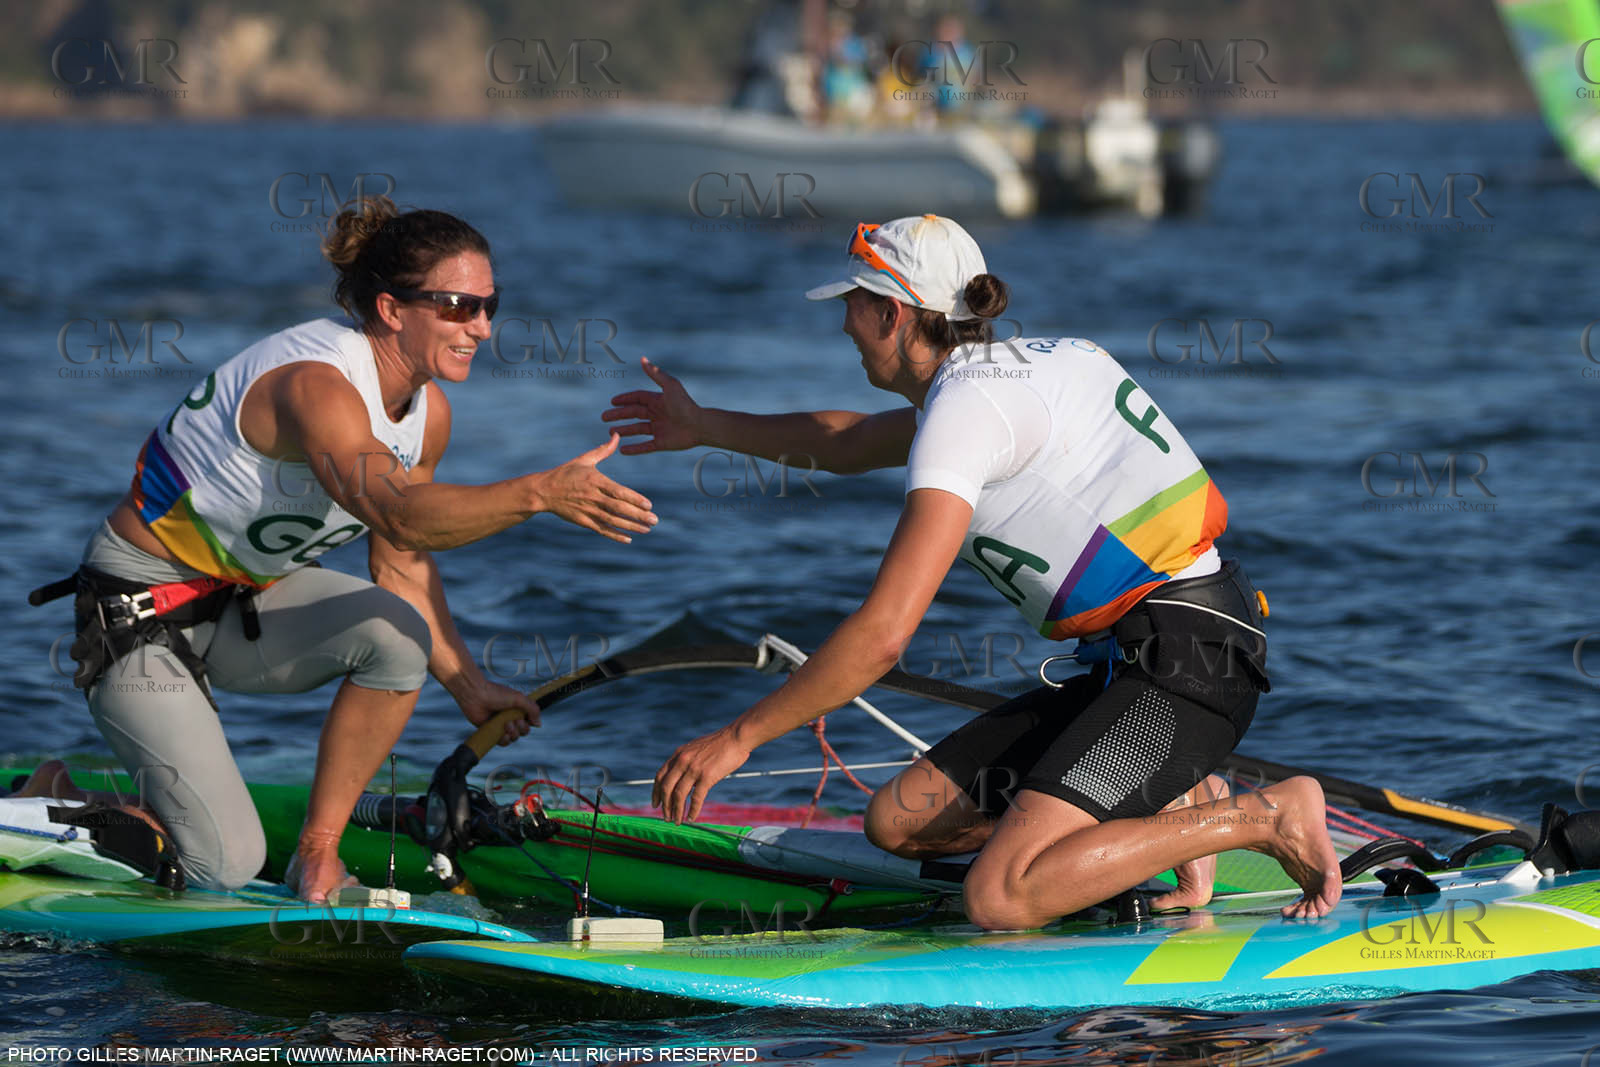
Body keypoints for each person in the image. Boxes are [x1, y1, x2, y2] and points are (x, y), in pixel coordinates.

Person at [605, 214, 1343, 926]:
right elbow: (851, 442)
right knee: (900, 820)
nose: (842, 325)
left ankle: (1263, 814)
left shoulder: (966, 411)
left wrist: (738, 738)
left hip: (1190, 670)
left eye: (853, 306)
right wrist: (705, 427)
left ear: (895, 314)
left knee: (1001, 895)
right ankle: (1176, 797)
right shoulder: (1021, 367)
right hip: (1148, 658)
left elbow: (884, 635)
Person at [31, 196, 657, 903]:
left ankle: (317, 855)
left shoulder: (430, 415)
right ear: (392, 309)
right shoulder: (317, 386)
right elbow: (399, 511)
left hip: (240, 607)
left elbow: (399, 558)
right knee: (224, 866)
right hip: (136, 613)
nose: (480, 326)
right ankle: (54, 799)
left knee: (399, 638)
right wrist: (539, 492)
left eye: (489, 304)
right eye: (457, 305)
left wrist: (468, 684)